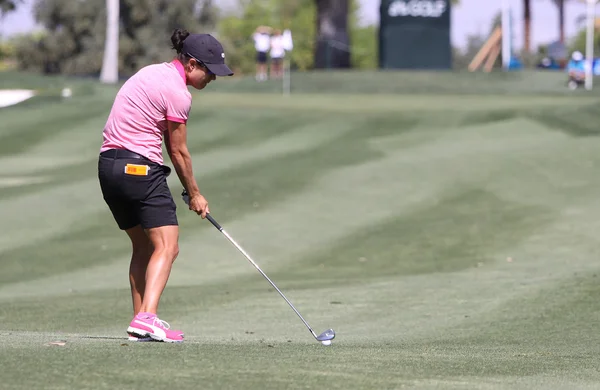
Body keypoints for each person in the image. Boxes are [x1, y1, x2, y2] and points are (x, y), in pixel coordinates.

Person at [97, 29, 233, 343]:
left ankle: (139, 323)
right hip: (139, 167)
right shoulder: (178, 92)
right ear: (192, 64)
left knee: (144, 246)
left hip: (108, 168)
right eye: (210, 72)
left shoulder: (149, 73)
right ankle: (147, 318)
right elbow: (178, 150)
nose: (213, 78)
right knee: (168, 245)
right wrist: (195, 194)